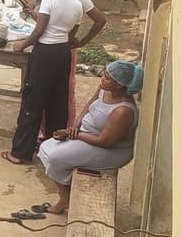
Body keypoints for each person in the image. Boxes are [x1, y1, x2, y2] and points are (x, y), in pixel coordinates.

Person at [1, 0, 83, 165]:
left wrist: (22, 44)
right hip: (63, 53)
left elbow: (39, 31)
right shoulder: (77, 4)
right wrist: (35, 15)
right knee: (57, 101)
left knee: (33, 101)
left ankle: (20, 153)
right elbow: (69, 33)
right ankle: (52, 149)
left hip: (44, 53)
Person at [36, 60, 144, 214]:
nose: (102, 79)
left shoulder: (123, 111)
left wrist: (75, 135)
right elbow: (88, 105)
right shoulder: (105, 89)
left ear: (119, 85)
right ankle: (66, 195)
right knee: (46, 147)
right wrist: (74, 127)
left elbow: (104, 142)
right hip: (87, 136)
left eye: (107, 77)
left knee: (55, 158)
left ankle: (64, 199)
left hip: (110, 150)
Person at [46, 0, 106, 126]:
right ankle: (44, 130)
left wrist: (83, 41)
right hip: (53, 45)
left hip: (65, 48)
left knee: (65, 90)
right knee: (47, 88)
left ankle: (66, 126)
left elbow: (100, 20)